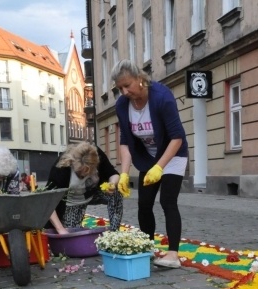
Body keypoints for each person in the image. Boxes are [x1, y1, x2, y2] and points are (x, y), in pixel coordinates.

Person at [111, 60, 189, 269]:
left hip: (173, 154)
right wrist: (124, 173)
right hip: (147, 157)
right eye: (119, 88)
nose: (124, 92)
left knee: (167, 201)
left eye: (127, 85)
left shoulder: (162, 97)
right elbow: (125, 141)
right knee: (144, 204)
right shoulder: (122, 105)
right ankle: (147, 249)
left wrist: (160, 167)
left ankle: (173, 254)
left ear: (140, 79)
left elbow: (177, 137)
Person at [45, 142, 127, 233]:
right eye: (80, 171)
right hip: (73, 202)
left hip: (94, 194)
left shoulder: (97, 155)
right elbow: (48, 201)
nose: (84, 175)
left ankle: (114, 233)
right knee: (72, 234)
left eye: (88, 172)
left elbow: (113, 174)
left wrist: (112, 184)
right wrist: (60, 229)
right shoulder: (61, 167)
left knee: (116, 193)